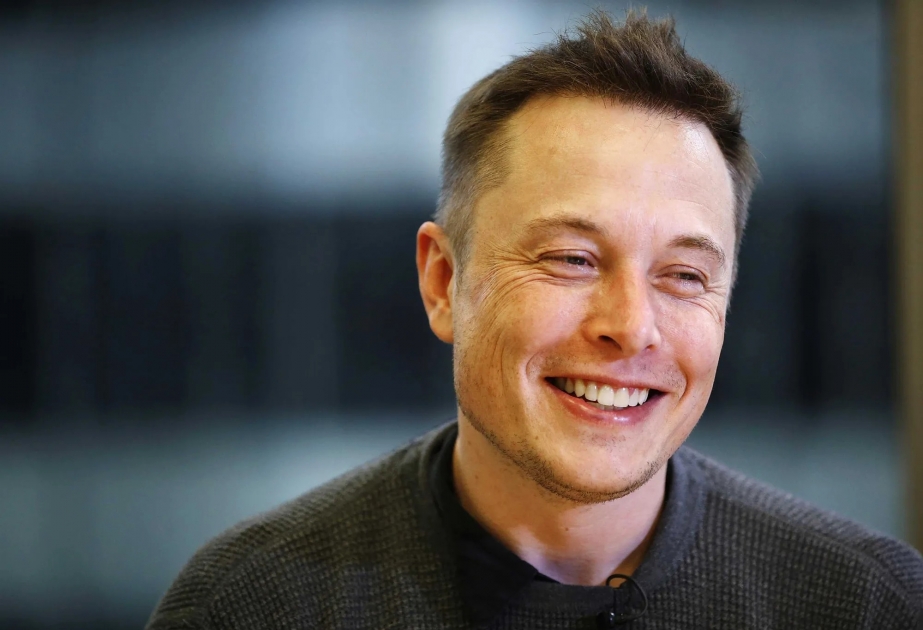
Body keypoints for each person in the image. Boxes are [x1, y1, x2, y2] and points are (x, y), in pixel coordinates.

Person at [146, 10, 923, 629]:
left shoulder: (864, 604)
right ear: (443, 281)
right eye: (572, 259)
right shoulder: (251, 604)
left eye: (683, 276)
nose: (631, 326)